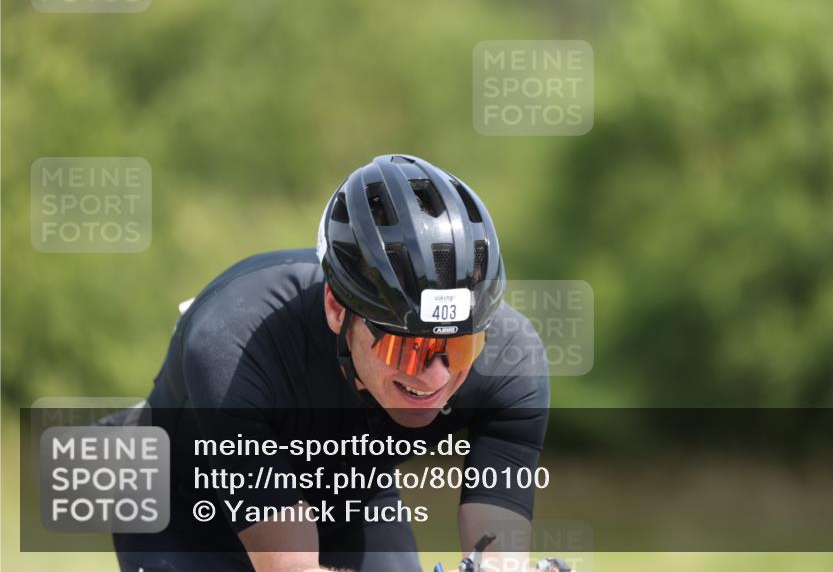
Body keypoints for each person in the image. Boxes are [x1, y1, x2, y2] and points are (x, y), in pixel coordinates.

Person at [114, 154, 550, 572]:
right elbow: (291, 567)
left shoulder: (511, 360)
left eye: (459, 348)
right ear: (337, 309)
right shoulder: (234, 340)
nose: (436, 376)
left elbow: (496, 554)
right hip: (186, 511)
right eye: (407, 349)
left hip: (348, 496)